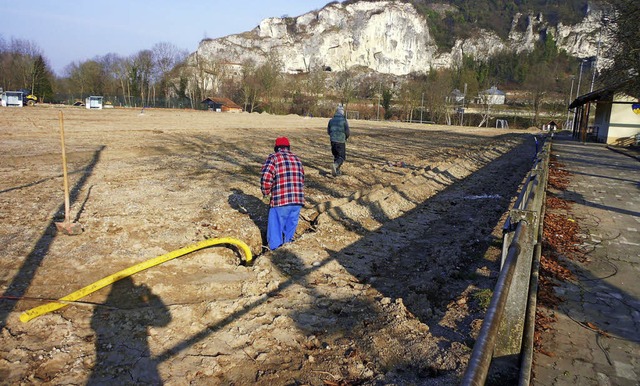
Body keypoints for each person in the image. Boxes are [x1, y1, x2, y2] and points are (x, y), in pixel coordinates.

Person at [260, 136, 305, 250]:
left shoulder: (273, 158)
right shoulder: (297, 159)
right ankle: (287, 250)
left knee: (275, 229)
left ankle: (275, 252)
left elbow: (266, 177)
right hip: (297, 201)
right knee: (290, 229)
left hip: (281, 200)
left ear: (276, 148)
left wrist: (266, 192)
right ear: (288, 148)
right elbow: (302, 178)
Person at [327, 104, 350, 176]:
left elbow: (328, 131)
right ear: (342, 113)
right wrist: (346, 137)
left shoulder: (331, 120)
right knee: (341, 157)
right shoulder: (344, 120)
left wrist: (332, 136)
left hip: (333, 141)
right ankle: (335, 165)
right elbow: (347, 131)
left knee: (336, 156)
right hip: (340, 141)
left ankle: (336, 172)